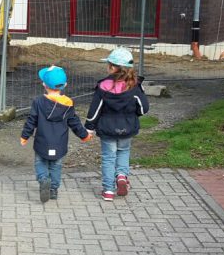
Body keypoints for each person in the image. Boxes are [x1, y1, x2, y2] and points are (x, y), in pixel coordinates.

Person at [85, 47, 150, 202]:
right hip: (127, 128)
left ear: (113, 67)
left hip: (107, 129)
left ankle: (108, 190)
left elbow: (95, 110)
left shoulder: (103, 86)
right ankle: (121, 176)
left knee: (108, 157)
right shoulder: (134, 86)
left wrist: (89, 127)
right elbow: (143, 108)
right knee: (123, 152)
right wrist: (134, 114)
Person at [20, 66, 92, 203]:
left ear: (44, 84)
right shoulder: (68, 103)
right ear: (65, 85)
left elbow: (31, 120)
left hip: (42, 141)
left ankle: (43, 180)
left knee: (40, 162)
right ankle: (53, 189)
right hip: (59, 143)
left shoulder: (38, 102)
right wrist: (84, 135)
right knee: (56, 166)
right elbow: (74, 122)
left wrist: (25, 136)